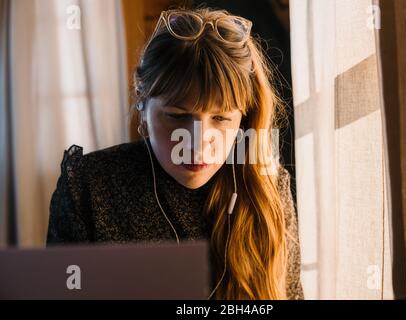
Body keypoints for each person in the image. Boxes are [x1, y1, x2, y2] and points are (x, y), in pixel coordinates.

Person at [47, 7, 303, 300]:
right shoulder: (88, 187)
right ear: (142, 106)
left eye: (221, 119)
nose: (197, 143)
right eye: (178, 116)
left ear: (244, 120)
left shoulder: (268, 187)